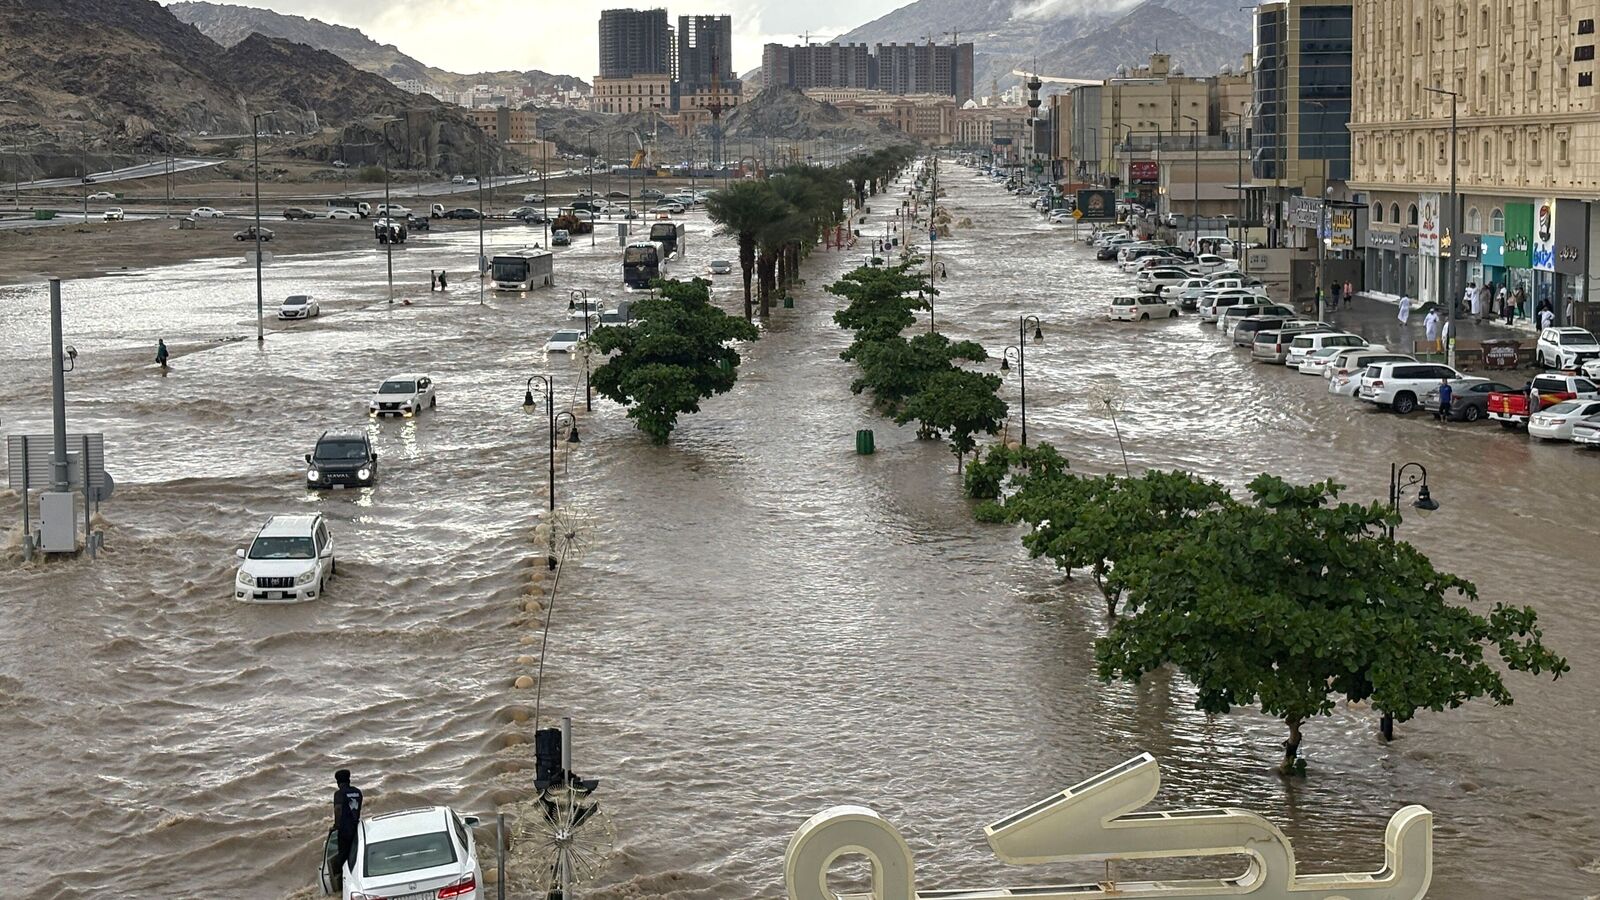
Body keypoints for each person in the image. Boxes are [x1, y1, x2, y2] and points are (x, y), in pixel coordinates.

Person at [332, 769, 363, 877]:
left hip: (345, 829)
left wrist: (336, 825)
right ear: (349, 780)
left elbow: (338, 809)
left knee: (343, 855)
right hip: (356, 827)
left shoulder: (339, 793)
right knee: (355, 853)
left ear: (338, 782)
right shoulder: (358, 792)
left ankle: (341, 878)